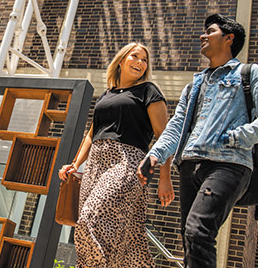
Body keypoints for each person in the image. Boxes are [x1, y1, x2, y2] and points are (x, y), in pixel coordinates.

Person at [139, 14, 258, 267]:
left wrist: (237, 136)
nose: (202, 36)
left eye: (210, 31)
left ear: (229, 38)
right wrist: (155, 154)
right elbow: (177, 126)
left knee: (198, 231)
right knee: (189, 239)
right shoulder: (194, 85)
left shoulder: (249, 73)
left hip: (227, 164)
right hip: (189, 165)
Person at [58, 42, 175, 267]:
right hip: (95, 165)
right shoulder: (107, 95)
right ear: (121, 60)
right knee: (127, 239)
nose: (141, 63)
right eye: (135, 57)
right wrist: (75, 164)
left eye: (145, 60)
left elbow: (164, 135)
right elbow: (92, 135)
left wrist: (165, 177)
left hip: (127, 162)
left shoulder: (148, 91)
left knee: (90, 218)